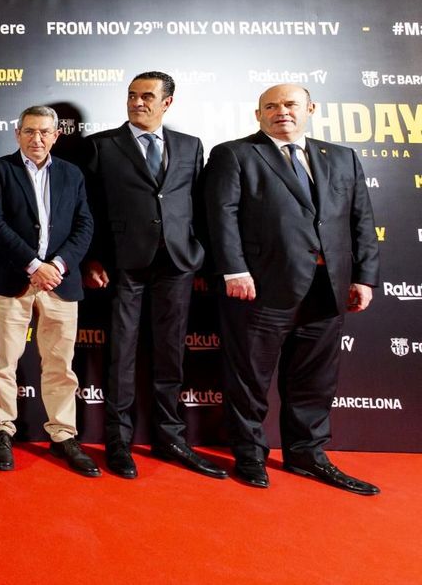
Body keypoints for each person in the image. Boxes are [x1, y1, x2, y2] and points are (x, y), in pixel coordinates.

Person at [205, 84, 379, 494]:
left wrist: (364, 276)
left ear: (310, 108)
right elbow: (222, 217)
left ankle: (307, 454)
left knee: (314, 380)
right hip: (260, 289)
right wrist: (234, 270)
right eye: (271, 106)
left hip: (327, 288)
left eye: (289, 104)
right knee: (249, 377)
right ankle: (249, 455)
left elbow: (362, 221)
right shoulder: (235, 154)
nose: (281, 111)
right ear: (258, 114)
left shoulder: (341, 157)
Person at [82, 72, 225, 480]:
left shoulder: (190, 145)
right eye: (131, 96)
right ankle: (118, 441)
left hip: (177, 263)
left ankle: (171, 438)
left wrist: (197, 252)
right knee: (121, 355)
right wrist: (92, 258)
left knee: (170, 353)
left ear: (168, 103)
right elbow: (88, 207)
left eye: (147, 96)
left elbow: (198, 203)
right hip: (124, 264)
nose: (137, 102)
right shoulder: (102, 145)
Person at [0, 106, 97, 477]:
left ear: (56, 135)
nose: (37, 139)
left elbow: (84, 224)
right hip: (14, 278)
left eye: (44, 132)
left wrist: (58, 266)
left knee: (60, 365)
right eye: (30, 131)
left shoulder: (72, 174)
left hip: (61, 283)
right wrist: (33, 265)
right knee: (4, 362)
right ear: (17, 132)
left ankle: (64, 434)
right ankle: (1, 431)